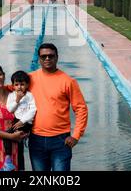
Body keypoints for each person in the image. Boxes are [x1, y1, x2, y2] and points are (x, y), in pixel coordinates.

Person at [27, 43, 88, 171]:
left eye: (51, 56)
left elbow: (81, 108)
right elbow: (8, 89)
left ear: (57, 57)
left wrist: (76, 135)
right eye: (44, 56)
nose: (47, 59)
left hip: (60, 141)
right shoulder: (30, 78)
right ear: (39, 59)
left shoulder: (68, 81)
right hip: (36, 139)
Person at [3, 70, 37, 171]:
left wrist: (23, 121)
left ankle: (10, 161)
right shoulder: (12, 95)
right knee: (15, 143)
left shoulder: (29, 96)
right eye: (16, 84)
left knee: (11, 136)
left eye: (22, 84)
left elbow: (33, 110)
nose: (19, 87)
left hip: (26, 123)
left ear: (27, 85)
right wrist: (17, 100)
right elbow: (10, 109)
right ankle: (14, 163)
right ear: (13, 85)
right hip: (16, 121)